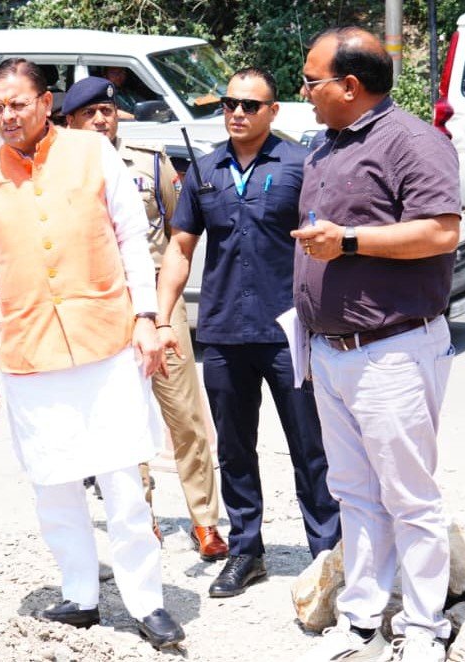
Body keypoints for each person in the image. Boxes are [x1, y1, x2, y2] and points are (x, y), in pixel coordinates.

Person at [0, 58, 186, 650]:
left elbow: (132, 238)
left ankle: (146, 601)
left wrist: (146, 317)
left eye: (18, 104)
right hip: (29, 353)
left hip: (107, 343)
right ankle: (80, 594)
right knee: (53, 483)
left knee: (123, 484)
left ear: (46, 103)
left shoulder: (92, 153)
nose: (7, 116)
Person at [291, 27, 461, 662]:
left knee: (409, 498)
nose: (303, 92)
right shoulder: (325, 143)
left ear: (349, 85)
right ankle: (360, 621)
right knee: (355, 494)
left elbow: (441, 232)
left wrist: (349, 242)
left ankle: (424, 628)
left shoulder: (414, 142)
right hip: (332, 350)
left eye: (311, 81)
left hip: (392, 349)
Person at [157, 68, 342, 599]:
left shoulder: (300, 165)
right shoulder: (205, 168)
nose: (237, 113)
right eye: (230, 103)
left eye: (250, 105)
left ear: (273, 111)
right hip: (222, 332)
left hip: (287, 330)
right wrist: (163, 317)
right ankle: (246, 551)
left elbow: (325, 242)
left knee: (310, 446)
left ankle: (327, 554)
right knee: (235, 449)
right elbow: (181, 248)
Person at [61, 75, 229, 561]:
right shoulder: (58, 172)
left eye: (107, 111)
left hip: (157, 298)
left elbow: (178, 233)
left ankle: (205, 520)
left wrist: (164, 305)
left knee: (185, 413)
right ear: (69, 122)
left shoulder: (150, 163)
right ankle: (141, 515)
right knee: (121, 418)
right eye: (89, 113)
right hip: (101, 304)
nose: (100, 120)